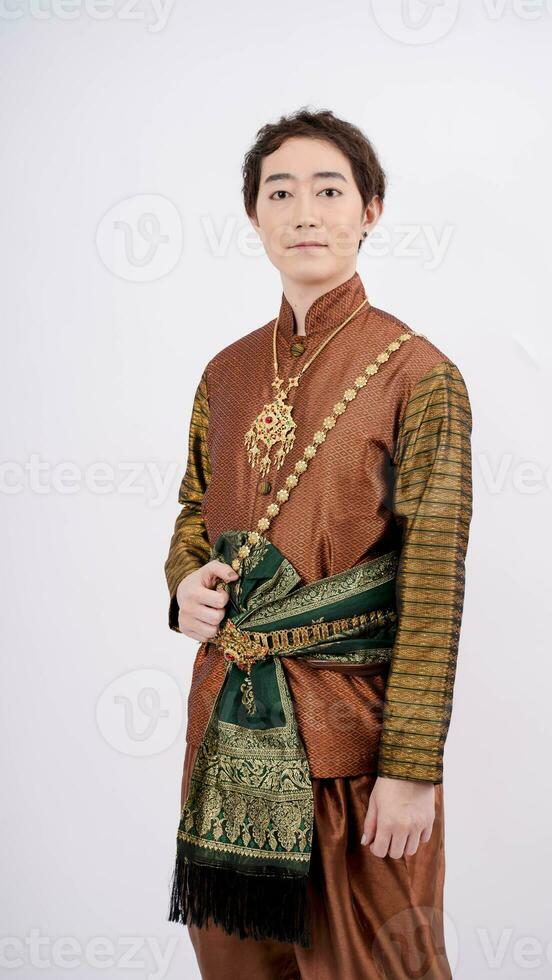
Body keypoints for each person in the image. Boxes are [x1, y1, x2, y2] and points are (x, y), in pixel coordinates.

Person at [164, 107, 473, 980]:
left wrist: (412, 768)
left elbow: (434, 583)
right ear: (255, 216)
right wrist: (186, 583)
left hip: (358, 752)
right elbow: (193, 509)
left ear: (370, 208)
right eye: (282, 192)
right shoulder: (224, 372)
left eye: (329, 190)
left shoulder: (422, 374)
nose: (305, 212)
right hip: (226, 732)